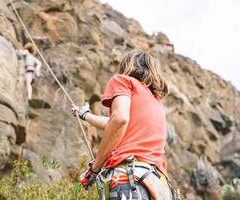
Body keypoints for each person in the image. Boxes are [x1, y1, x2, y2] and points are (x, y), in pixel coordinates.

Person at [72, 50, 175, 199]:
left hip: (131, 182)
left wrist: (95, 169)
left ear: (127, 65)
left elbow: (119, 120)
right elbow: (115, 121)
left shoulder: (122, 81)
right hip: (158, 186)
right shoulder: (155, 100)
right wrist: (85, 115)